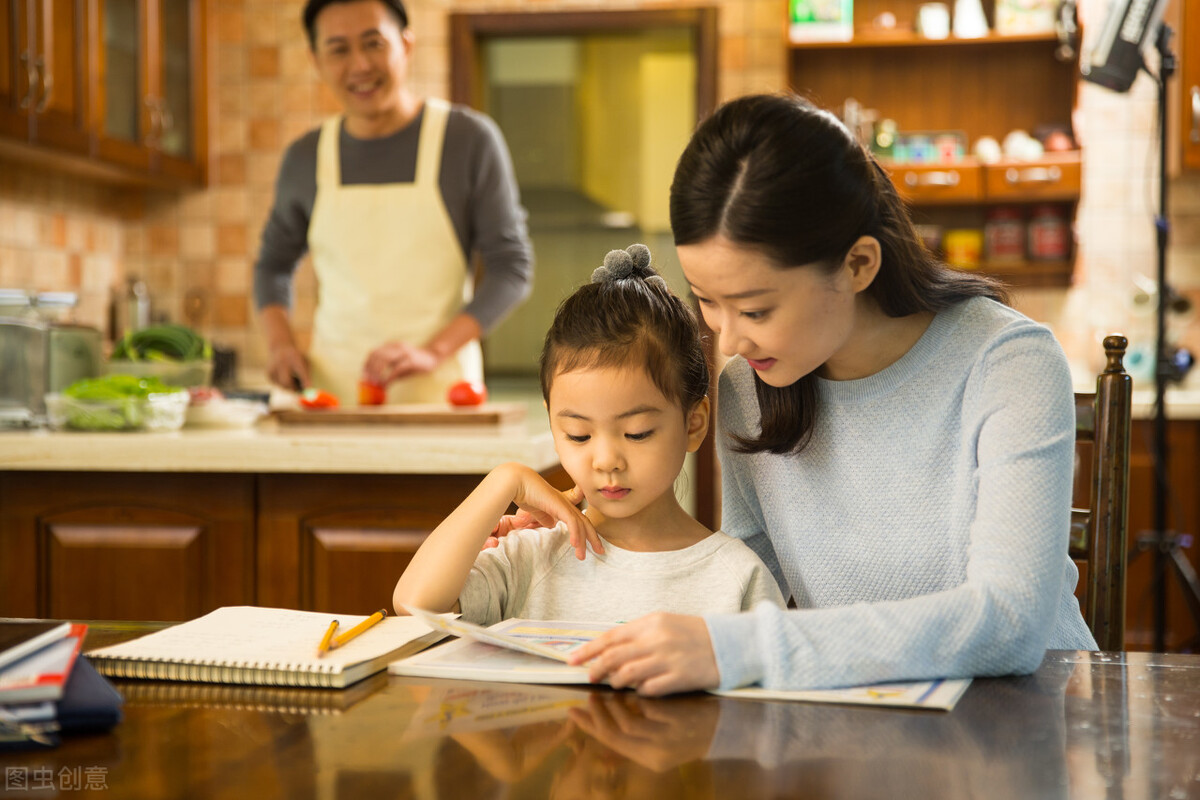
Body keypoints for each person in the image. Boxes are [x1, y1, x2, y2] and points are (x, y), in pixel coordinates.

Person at [567, 94, 1097, 695]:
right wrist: (589, 542)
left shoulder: (1008, 363)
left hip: (1024, 724)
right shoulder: (752, 385)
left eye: (756, 308)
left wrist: (743, 649)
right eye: (707, 301)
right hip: (855, 728)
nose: (729, 339)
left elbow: (1009, 621)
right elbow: (741, 582)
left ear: (858, 265)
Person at [392, 244, 784, 624]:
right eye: (579, 435)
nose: (606, 460)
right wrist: (504, 480)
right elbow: (414, 604)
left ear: (693, 424)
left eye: (637, 433)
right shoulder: (533, 555)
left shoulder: (735, 578)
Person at [254, 0, 533, 404]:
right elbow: (272, 266)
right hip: (331, 399)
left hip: (441, 398)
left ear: (406, 44)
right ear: (315, 60)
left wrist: (432, 351)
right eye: (339, 49)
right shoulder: (304, 157)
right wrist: (281, 344)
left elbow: (511, 268)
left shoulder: (468, 140)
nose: (360, 65)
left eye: (373, 43)